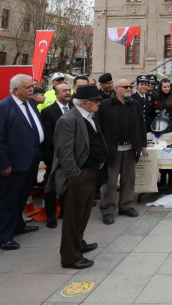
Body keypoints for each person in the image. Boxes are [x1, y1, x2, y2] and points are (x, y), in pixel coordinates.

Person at [46, 84, 107, 269]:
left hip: (91, 173)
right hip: (79, 176)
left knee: (84, 213)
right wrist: (75, 175)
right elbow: (64, 152)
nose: (98, 103)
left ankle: (79, 243)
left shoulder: (87, 116)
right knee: (73, 216)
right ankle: (70, 257)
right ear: (84, 102)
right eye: (95, 101)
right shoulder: (68, 120)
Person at [0, 74, 44, 250]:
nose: (32, 90)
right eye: (28, 87)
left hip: (30, 160)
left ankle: (18, 224)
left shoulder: (31, 103)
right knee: (8, 199)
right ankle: (3, 237)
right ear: (15, 90)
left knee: (21, 196)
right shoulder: (1, 108)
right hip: (11, 164)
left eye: (32, 86)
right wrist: (3, 164)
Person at [96, 78, 145, 225]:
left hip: (130, 148)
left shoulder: (134, 105)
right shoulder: (105, 105)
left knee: (129, 179)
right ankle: (107, 209)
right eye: (126, 86)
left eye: (130, 86)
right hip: (112, 150)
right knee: (110, 181)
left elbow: (141, 125)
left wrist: (142, 143)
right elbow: (98, 127)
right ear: (117, 89)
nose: (129, 89)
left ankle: (125, 206)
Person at [39, 82, 72, 229]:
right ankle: (51, 214)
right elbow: (48, 134)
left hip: (72, 155)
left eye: (68, 90)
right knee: (52, 185)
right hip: (54, 154)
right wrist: (64, 146)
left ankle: (66, 212)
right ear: (56, 94)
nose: (67, 92)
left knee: (69, 184)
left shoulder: (74, 109)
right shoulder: (48, 111)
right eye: (63, 90)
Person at [155, 78, 172, 187]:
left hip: (170, 129)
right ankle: (162, 177)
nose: (167, 89)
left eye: (168, 86)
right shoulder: (156, 97)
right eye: (164, 87)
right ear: (161, 87)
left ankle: (171, 177)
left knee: (170, 154)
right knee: (162, 155)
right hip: (159, 130)